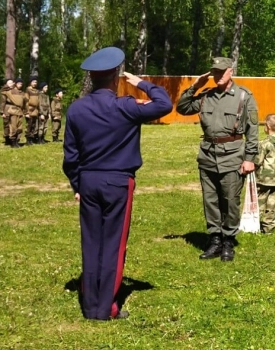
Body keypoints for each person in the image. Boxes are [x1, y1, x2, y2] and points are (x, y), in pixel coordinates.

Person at [62, 47, 172, 320]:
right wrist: (142, 83)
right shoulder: (126, 106)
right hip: (119, 182)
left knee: (91, 242)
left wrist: (77, 185)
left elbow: (70, 156)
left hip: (88, 180)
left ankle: (89, 305)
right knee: (113, 243)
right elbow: (164, 104)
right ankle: (104, 309)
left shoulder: (76, 109)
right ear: (115, 77)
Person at [176, 57, 259, 262]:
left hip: (232, 155)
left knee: (230, 200)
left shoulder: (243, 96)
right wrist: (195, 86)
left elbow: (253, 130)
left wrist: (249, 158)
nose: (218, 76)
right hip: (207, 155)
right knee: (210, 200)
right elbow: (182, 107)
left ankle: (228, 241)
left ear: (231, 71)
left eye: (222, 72)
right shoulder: (206, 96)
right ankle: (214, 240)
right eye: (215, 72)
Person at [254, 114, 275, 234]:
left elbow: (258, 161)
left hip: (264, 178)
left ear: (267, 126)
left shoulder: (265, 143)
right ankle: (268, 228)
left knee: (260, 202)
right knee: (271, 204)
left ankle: (254, 225)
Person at [2, 78, 27, 148]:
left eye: (21, 84)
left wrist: (26, 112)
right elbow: (2, 90)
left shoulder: (22, 93)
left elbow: (25, 103)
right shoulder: (10, 91)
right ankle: (12, 141)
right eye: (19, 83)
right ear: (15, 84)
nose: (20, 85)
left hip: (20, 111)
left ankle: (17, 140)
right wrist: (9, 84)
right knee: (13, 127)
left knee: (20, 127)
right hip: (13, 111)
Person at [0, 78, 15, 145]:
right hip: (6, 109)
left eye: (12, 83)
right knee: (6, 125)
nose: (11, 84)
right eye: (9, 83)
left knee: (13, 124)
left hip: (14, 109)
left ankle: (13, 138)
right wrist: (2, 112)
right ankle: (7, 138)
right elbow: (2, 102)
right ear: (7, 84)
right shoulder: (4, 92)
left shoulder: (15, 91)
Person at [25, 76, 39, 145]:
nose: (35, 83)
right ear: (30, 82)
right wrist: (26, 112)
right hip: (30, 110)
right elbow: (26, 101)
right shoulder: (28, 90)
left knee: (33, 125)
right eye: (33, 82)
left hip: (35, 111)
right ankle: (28, 139)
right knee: (29, 125)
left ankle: (31, 138)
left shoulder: (36, 91)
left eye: (36, 82)